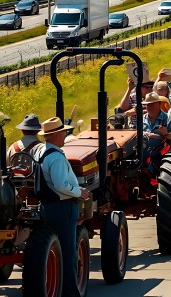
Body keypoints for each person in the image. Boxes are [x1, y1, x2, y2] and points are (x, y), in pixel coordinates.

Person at [34, 117, 92, 297]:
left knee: (59, 250)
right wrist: (79, 192)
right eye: (64, 132)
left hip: (49, 206)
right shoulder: (56, 157)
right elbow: (60, 185)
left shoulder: (40, 152)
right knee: (68, 253)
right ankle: (70, 292)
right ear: (57, 134)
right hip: (62, 207)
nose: (66, 134)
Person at [138, 92, 171, 174]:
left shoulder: (168, 119)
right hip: (143, 155)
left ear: (159, 104)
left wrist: (166, 134)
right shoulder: (141, 119)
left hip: (164, 156)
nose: (149, 107)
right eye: (147, 104)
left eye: (152, 104)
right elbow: (133, 134)